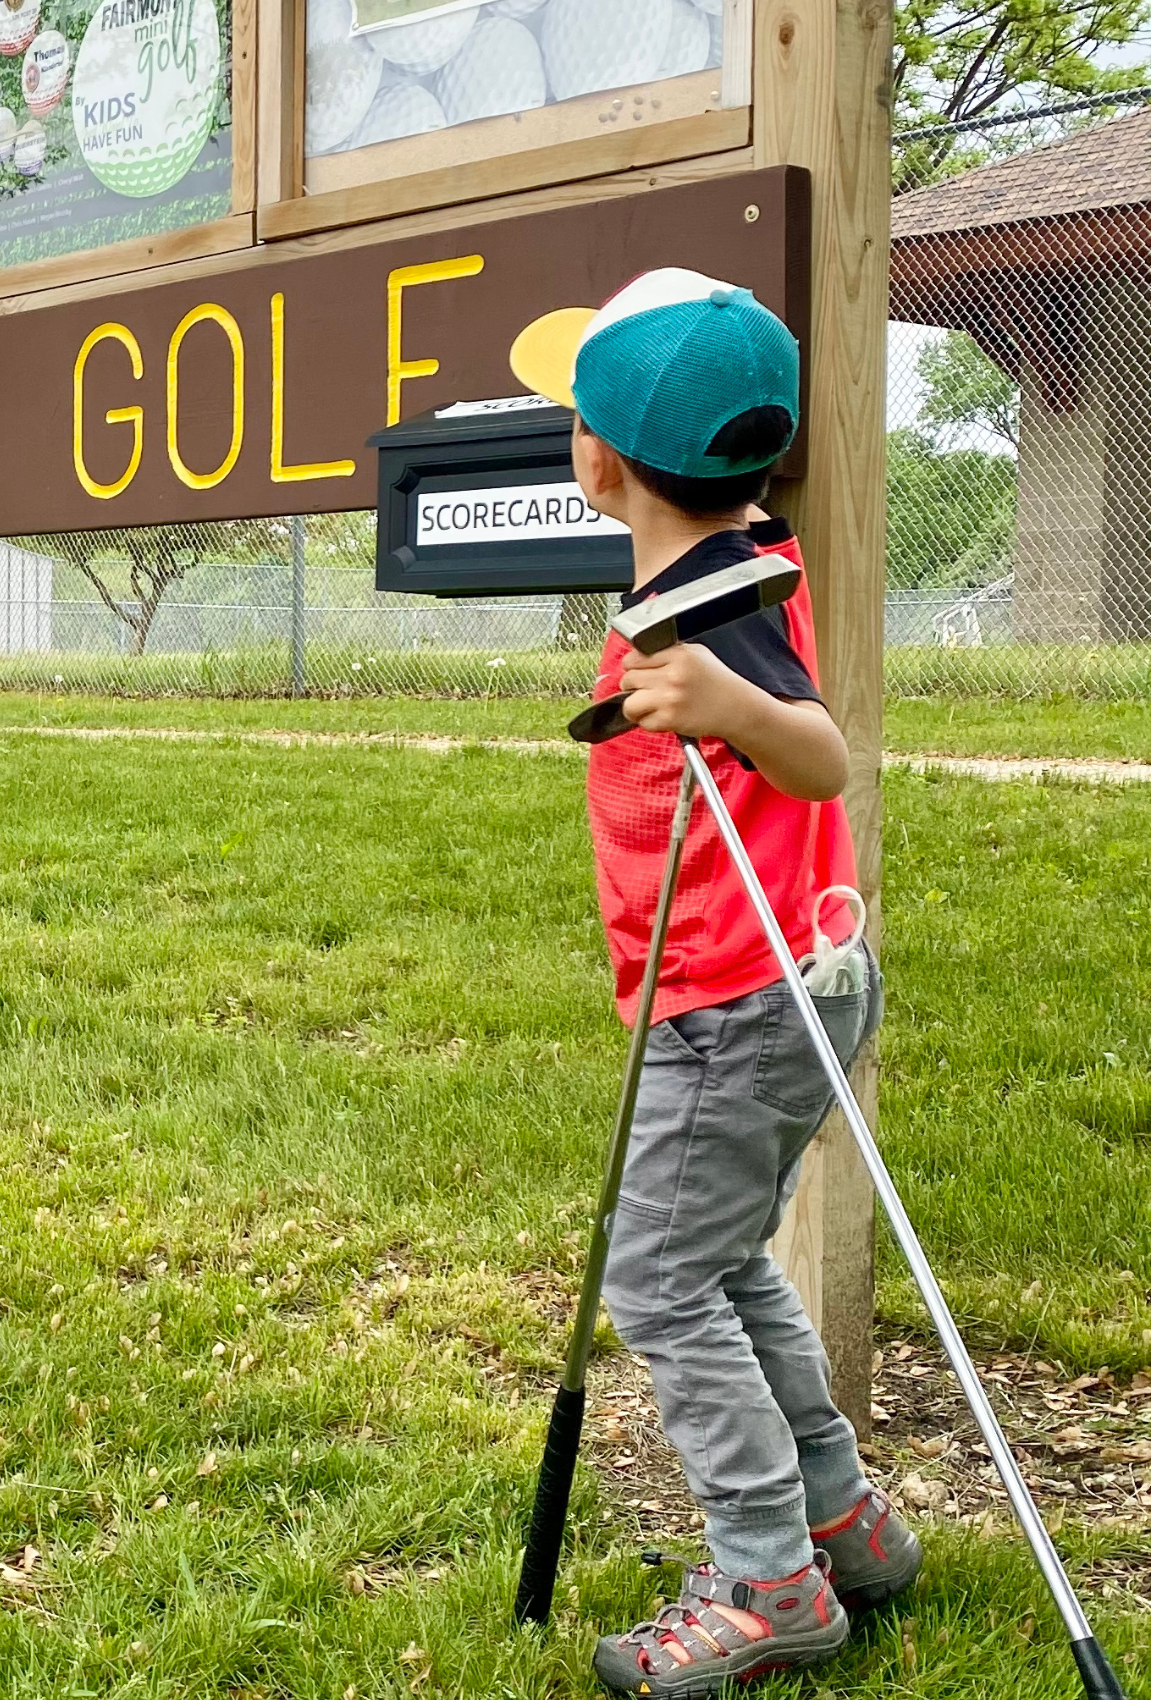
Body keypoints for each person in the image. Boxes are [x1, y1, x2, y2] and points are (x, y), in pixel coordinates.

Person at [511, 272, 921, 1697]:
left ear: (601, 459)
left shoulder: (713, 611)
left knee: (659, 1278)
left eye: (577, 413)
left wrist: (730, 704)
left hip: (744, 1000)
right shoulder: (735, 552)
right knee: (718, 1254)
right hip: (774, 979)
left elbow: (814, 753)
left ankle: (769, 1579)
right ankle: (841, 1519)